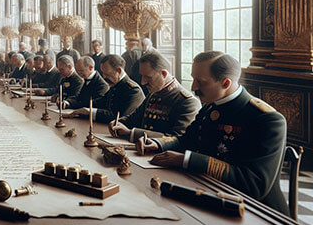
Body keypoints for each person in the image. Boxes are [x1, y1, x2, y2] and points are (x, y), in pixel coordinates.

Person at [139, 52, 289, 215]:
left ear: (225, 83)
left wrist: (187, 159)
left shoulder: (267, 120)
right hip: (206, 192)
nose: (193, 87)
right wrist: (158, 144)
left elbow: (253, 184)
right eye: (193, 79)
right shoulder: (211, 106)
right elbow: (186, 140)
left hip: (255, 211)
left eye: (201, 82)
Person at [109, 51, 201, 142]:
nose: (143, 82)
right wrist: (118, 122)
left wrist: (131, 133)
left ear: (164, 74)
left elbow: (176, 138)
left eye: (148, 77)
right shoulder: (153, 94)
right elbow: (134, 118)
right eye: (142, 76)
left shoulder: (188, 102)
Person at [69, 54, 144, 122]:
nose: (104, 77)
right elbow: (100, 102)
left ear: (118, 70)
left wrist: (90, 111)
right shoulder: (115, 84)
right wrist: (79, 109)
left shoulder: (133, 90)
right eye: (103, 73)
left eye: (107, 74)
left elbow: (120, 117)